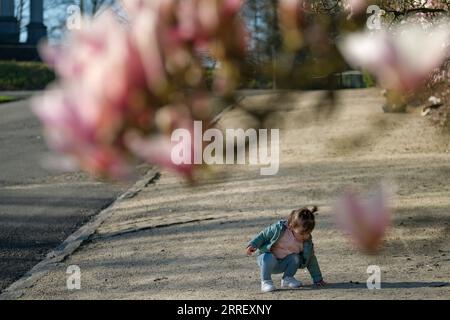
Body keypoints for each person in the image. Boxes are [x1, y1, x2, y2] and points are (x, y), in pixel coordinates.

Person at [246, 206, 326, 292]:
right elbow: (264, 235)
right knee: (268, 257)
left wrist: (317, 279)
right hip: (266, 261)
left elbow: (311, 260)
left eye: (308, 233)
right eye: (302, 233)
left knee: (295, 258)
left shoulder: (306, 243)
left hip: (283, 263)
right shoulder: (279, 228)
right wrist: (253, 244)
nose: (305, 236)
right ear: (291, 226)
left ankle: (288, 278)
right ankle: (266, 281)